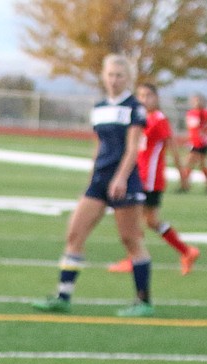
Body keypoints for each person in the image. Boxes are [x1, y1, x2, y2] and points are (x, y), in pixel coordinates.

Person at [32, 54, 154, 318]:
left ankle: (143, 300)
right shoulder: (99, 107)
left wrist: (121, 177)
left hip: (125, 179)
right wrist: (92, 177)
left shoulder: (135, 107)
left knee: (130, 239)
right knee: (74, 234)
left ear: (128, 78)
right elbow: (99, 145)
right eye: (110, 75)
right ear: (103, 76)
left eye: (119, 75)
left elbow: (133, 148)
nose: (114, 80)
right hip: (100, 179)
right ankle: (63, 296)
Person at [108, 83, 200, 276]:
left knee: (132, 218)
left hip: (148, 179)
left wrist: (182, 172)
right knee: (151, 221)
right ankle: (186, 251)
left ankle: (134, 259)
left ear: (156, 98)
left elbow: (172, 146)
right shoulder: (139, 118)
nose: (143, 99)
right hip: (139, 175)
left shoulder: (158, 119)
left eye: (148, 95)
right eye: (140, 95)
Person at [178, 92, 207, 193]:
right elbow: (190, 128)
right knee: (192, 163)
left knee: (195, 163)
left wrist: (205, 130)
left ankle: (186, 185)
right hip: (194, 141)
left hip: (201, 142)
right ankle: (206, 186)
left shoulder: (205, 113)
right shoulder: (190, 113)